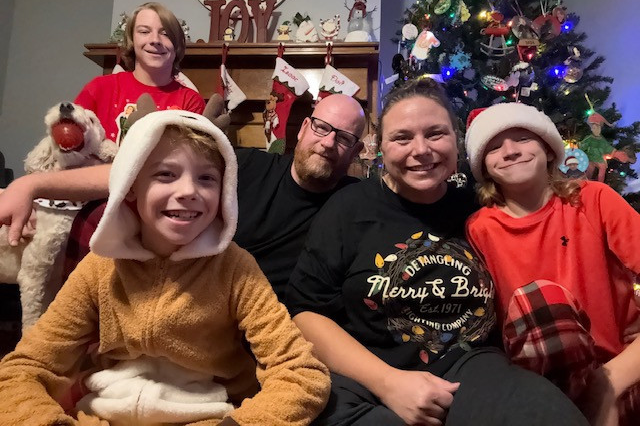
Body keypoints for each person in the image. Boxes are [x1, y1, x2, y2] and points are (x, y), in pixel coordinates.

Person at [286, 78, 587, 425]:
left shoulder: (482, 205)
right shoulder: (348, 207)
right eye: (402, 138)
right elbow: (306, 312)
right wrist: (388, 383)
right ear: (381, 147)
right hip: (366, 376)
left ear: (456, 142)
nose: (421, 150)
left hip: (472, 368)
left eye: (435, 133)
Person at [0, 110, 330, 425]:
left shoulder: (236, 268)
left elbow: (301, 374)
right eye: (165, 174)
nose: (188, 191)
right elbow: (24, 369)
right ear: (131, 185)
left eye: (206, 178)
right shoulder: (100, 267)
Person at [0, 94, 366, 300]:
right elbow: (128, 171)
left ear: (356, 150)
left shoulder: (357, 202)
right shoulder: (246, 165)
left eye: (344, 138)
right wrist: (31, 185)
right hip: (193, 301)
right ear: (304, 128)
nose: (328, 143)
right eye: (321, 127)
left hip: (270, 324)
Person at [464, 102, 640, 426]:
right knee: (541, 304)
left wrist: (608, 383)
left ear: (548, 149)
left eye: (523, 138)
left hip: (618, 366)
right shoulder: (479, 229)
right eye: (494, 147)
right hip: (537, 382)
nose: (510, 151)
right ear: (483, 166)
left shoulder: (594, 200)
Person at [74, 1, 205, 143]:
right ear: (131, 40)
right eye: (144, 32)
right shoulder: (99, 88)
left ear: (177, 45)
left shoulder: (191, 102)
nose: (155, 40)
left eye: (165, 34)